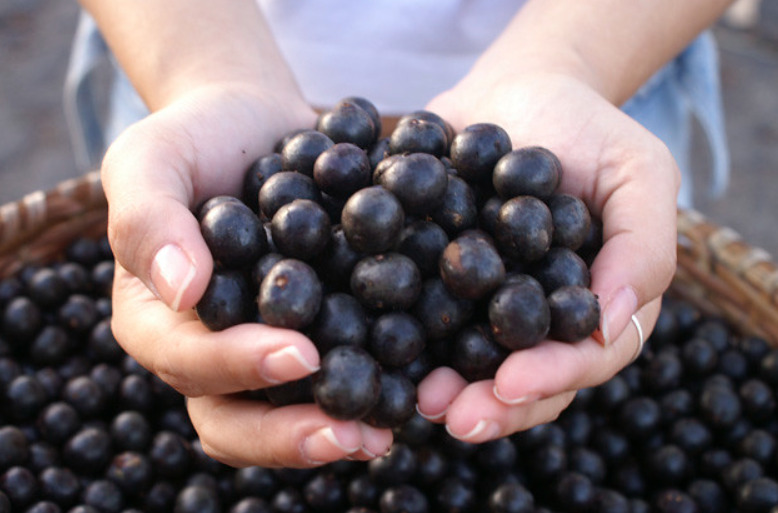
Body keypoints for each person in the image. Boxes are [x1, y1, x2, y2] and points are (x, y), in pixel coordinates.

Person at [67, 0, 734, 469]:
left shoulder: (474, 235)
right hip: (186, 46)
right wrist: (205, 71)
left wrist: (572, 60)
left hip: (611, 56)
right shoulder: (300, 213)